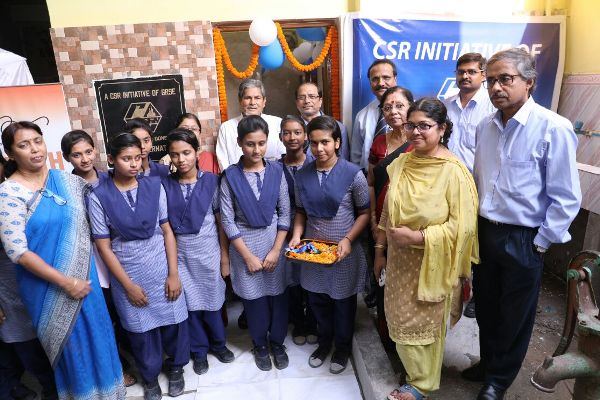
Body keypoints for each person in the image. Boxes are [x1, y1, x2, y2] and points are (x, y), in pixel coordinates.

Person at [467, 48, 582, 400]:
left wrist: (541, 242)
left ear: (529, 82)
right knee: (486, 307)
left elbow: (566, 196)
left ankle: (499, 381)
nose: (496, 87)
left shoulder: (554, 128)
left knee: (515, 315)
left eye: (506, 79)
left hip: (525, 237)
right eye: (491, 81)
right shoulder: (486, 126)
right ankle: (487, 365)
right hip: (486, 232)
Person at [0, 121, 125, 399]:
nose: (34, 149)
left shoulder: (69, 182)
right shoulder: (8, 193)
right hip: (49, 290)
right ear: (10, 153)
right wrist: (66, 283)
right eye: (23, 145)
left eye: (37, 141)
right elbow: (17, 251)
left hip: (86, 280)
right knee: (72, 352)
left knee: (100, 339)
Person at [374, 98, 479, 400]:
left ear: (442, 128)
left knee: (424, 325)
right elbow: (387, 212)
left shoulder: (454, 172)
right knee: (399, 317)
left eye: (425, 126)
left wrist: (418, 238)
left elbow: (464, 228)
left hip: (432, 263)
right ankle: (412, 372)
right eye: (411, 125)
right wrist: (381, 249)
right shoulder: (403, 163)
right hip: (398, 261)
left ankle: (422, 383)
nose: (416, 132)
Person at [88, 132, 189, 400]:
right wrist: (129, 286)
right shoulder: (98, 195)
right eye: (125, 159)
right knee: (141, 332)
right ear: (111, 159)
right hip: (128, 274)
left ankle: (177, 368)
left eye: (137, 158)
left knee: (173, 323)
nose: (133, 164)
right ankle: (150, 378)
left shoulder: (155, 186)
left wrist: (174, 273)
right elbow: (103, 246)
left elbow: (167, 231)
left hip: (161, 267)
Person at [289, 115, 370, 374]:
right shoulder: (302, 175)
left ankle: (342, 348)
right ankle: (324, 343)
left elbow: (365, 213)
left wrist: (348, 240)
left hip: (342, 251)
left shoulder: (352, 174)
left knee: (343, 305)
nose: (319, 149)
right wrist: (296, 235)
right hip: (313, 251)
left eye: (325, 142)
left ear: (337, 142)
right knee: (318, 302)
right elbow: (300, 211)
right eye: (313, 143)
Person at [61, 130, 137, 387]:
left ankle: (140, 356)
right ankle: (117, 368)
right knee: (104, 317)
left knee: (125, 308)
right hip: (90, 260)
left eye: (88, 151)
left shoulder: (111, 179)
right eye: (76, 154)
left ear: (96, 151)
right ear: (67, 158)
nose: (84, 159)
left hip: (119, 254)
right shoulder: (66, 188)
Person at [219, 115, 291, 371]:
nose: (256, 150)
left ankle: (278, 343)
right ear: (239, 143)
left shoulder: (277, 171)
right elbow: (227, 221)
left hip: (275, 244)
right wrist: (247, 256)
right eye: (250, 144)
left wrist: (275, 251)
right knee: (254, 299)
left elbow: (285, 213)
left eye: (261, 143)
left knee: (278, 297)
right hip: (244, 246)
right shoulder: (230, 177)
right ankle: (260, 344)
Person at [162, 128, 234, 376]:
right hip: (180, 255)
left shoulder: (212, 182)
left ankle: (219, 344)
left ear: (197, 152)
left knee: (213, 302)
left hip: (209, 252)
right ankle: (199, 351)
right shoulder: (165, 186)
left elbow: (221, 222)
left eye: (186, 153)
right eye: (175, 154)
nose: (181, 159)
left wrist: (225, 257)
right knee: (190, 306)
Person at [0, 152, 58, 400]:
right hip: (7, 288)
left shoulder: (20, 190)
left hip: (42, 278)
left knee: (50, 340)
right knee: (27, 345)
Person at [443, 53, 495, 319]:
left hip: (479, 185)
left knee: (477, 240)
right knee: (452, 236)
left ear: (483, 75)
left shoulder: (492, 107)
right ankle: (452, 287)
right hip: (447, 185)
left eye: (472, 71)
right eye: (461, 71)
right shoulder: (446, 105)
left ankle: (474, 293)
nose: (465, 76)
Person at [367, 86, 414, 345]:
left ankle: (409, 335)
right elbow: (372, 183)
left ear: (411, 107)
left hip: (412, 226)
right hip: (382, 222)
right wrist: (374, 222)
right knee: (384, 276)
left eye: (399, 105)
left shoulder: (419, 142)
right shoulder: (379, 143)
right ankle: (389, 336)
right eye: (388, 107)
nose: (394, 111)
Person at [277, 115, 317, 346]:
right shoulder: (274, 167)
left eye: (297, 132)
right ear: (280, 137)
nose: (292, 137)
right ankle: (298, 323)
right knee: (291, 278)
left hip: (312, 230)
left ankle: (312, 322)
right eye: (287, 133)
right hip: (284, 232)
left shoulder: (315, 163)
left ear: (306, 136)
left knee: (311, 278)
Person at [216, 78, 285, 170]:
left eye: (257, 98)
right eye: (248, 98)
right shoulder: (226, 128)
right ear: (240, 101)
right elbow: (223, 162)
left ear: (264, 102)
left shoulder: (277, 123)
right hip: (237, 181)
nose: (252, 103)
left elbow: (283, 157)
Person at [351, 59, 397, 170]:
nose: (381, 83)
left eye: (386, 77)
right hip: (368, 179)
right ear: (370, 82)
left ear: (395, 79)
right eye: (375, 79)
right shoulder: (362, 116)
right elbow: (355, 156)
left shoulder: (410, 112)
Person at [295, 81, 350, 160]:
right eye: (301, 97)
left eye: (312, 96)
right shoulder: (290, 129)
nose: (307, 101)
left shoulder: (338, 127)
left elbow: (343, 161)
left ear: (320, 101)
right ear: (297, 102)